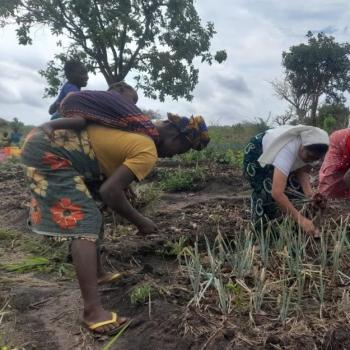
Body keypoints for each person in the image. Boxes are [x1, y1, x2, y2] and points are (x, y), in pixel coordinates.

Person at [21, 87, 209, 336]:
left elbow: (107, 157)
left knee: (93, 211)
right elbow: (111, 192)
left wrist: (123, 188)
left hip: (50, 143)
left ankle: (98, 274)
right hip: (50, 151)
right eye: (180, 150)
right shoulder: (147, 149)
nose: (173, 155)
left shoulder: (137, 130)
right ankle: (93, 312)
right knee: (84, 221)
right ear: (176, 138)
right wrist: (141, 221)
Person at [243, 125, 329, 237]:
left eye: (316, 159)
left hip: (285, 157)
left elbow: (302, 170)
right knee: (266, 192)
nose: (312, 161)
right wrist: (301, 220)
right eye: (310, 156)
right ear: (302, 147)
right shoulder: (288, 149)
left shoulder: (314, 152)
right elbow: (277, 193)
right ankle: (260, 233)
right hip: (258, 152)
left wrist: (309, 194)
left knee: (296, 190)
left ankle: (288, 226)